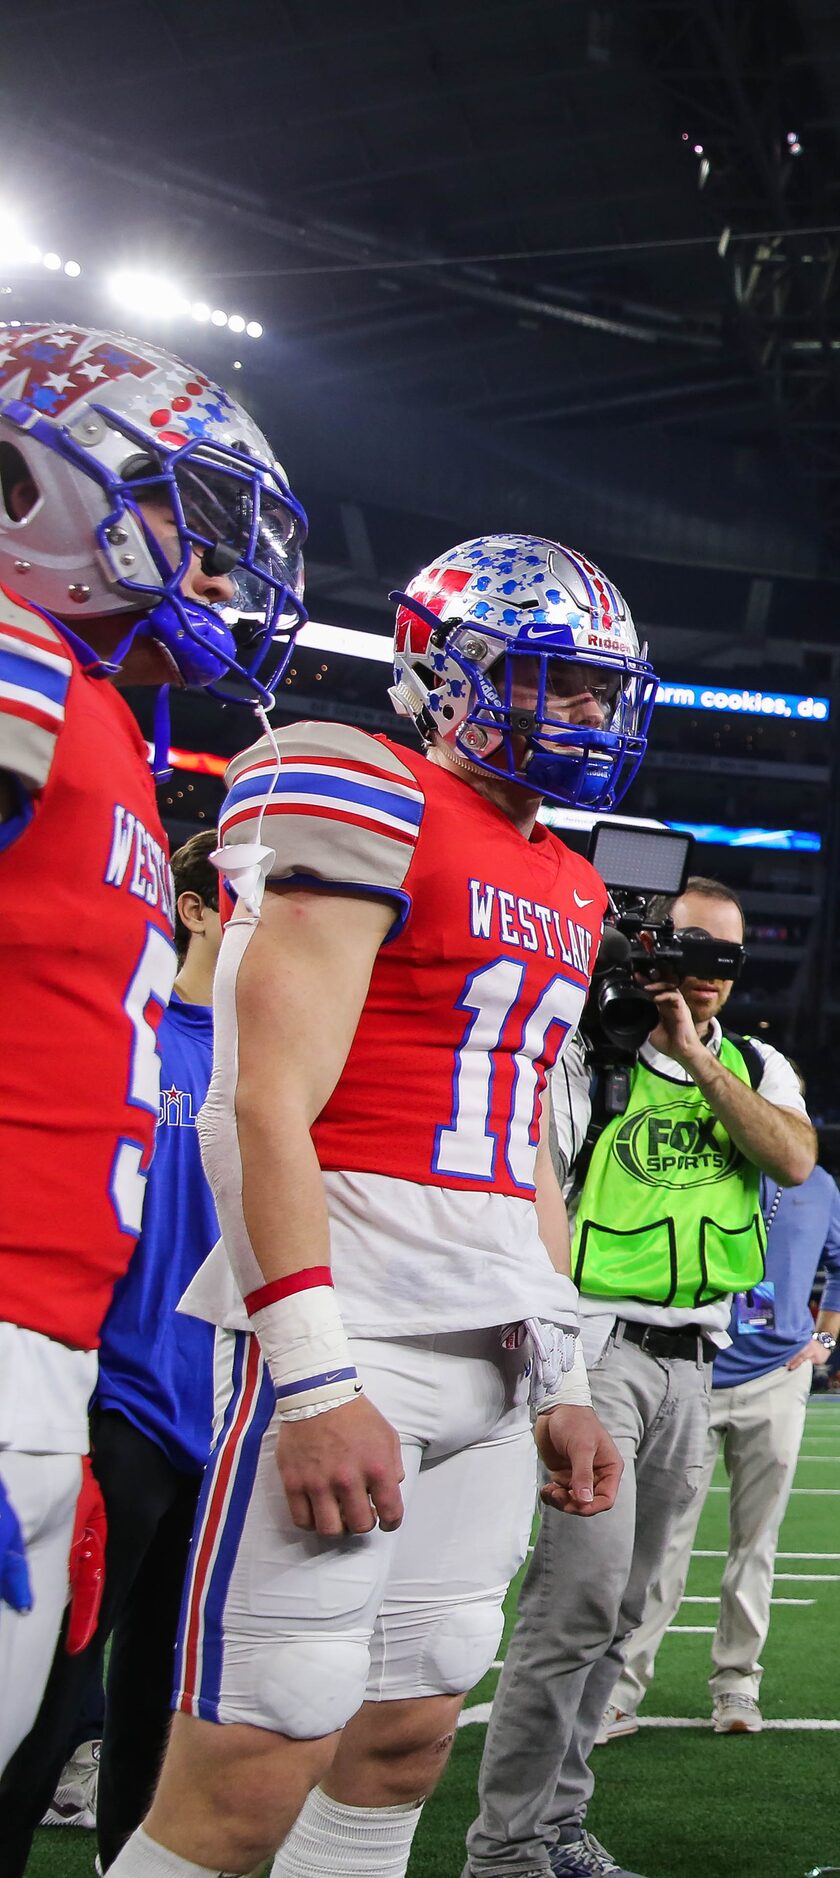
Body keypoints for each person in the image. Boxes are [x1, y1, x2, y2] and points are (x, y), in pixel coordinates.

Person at [111, 533, 648, 1878]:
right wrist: (310, 1378)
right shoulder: (360, 784)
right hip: (360, 1323)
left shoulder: (571, 879)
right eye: (556, 683)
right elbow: (258, 1095)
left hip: (495, 1341)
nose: (587, 714)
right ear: (443, 669)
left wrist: (568, 1367)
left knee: (407, 1731)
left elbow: (524, 1147)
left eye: (602, 690)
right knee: (254, 1760)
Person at [0, 322, 307, 1775]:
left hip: (52, 1339)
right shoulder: (16, 662)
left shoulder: (102, 717)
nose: (220, 577)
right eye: (189, 532)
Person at [469, 875, 816, 1877]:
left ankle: (556, 1828)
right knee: (574, 1598)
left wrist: (698, 1060)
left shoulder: (755, 1064)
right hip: (600, 1348)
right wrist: (559, 1376)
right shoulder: (582, 1063)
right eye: (688, 951)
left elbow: (792, 1160)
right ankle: (504, 1848)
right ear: (645, 949)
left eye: (726, 961)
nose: (706, 976)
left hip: (695, 1365)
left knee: (626, 1612)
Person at [0, 834, 235, 1876]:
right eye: (250, 904)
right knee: (47, 1703)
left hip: (224, 1426)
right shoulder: (137, 1041)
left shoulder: (282, 1064)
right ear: (193, 908)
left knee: (162, 1704)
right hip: (117, 1410)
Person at [602, 1164, 840, 1742]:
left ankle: (738, 1681)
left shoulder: (816, 1183)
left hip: (777, 1378)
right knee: (661, 1539)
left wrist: (823, 1340)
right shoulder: (700, 1163)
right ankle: (620, 1690)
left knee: (756, 1539)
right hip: (692, 1368)